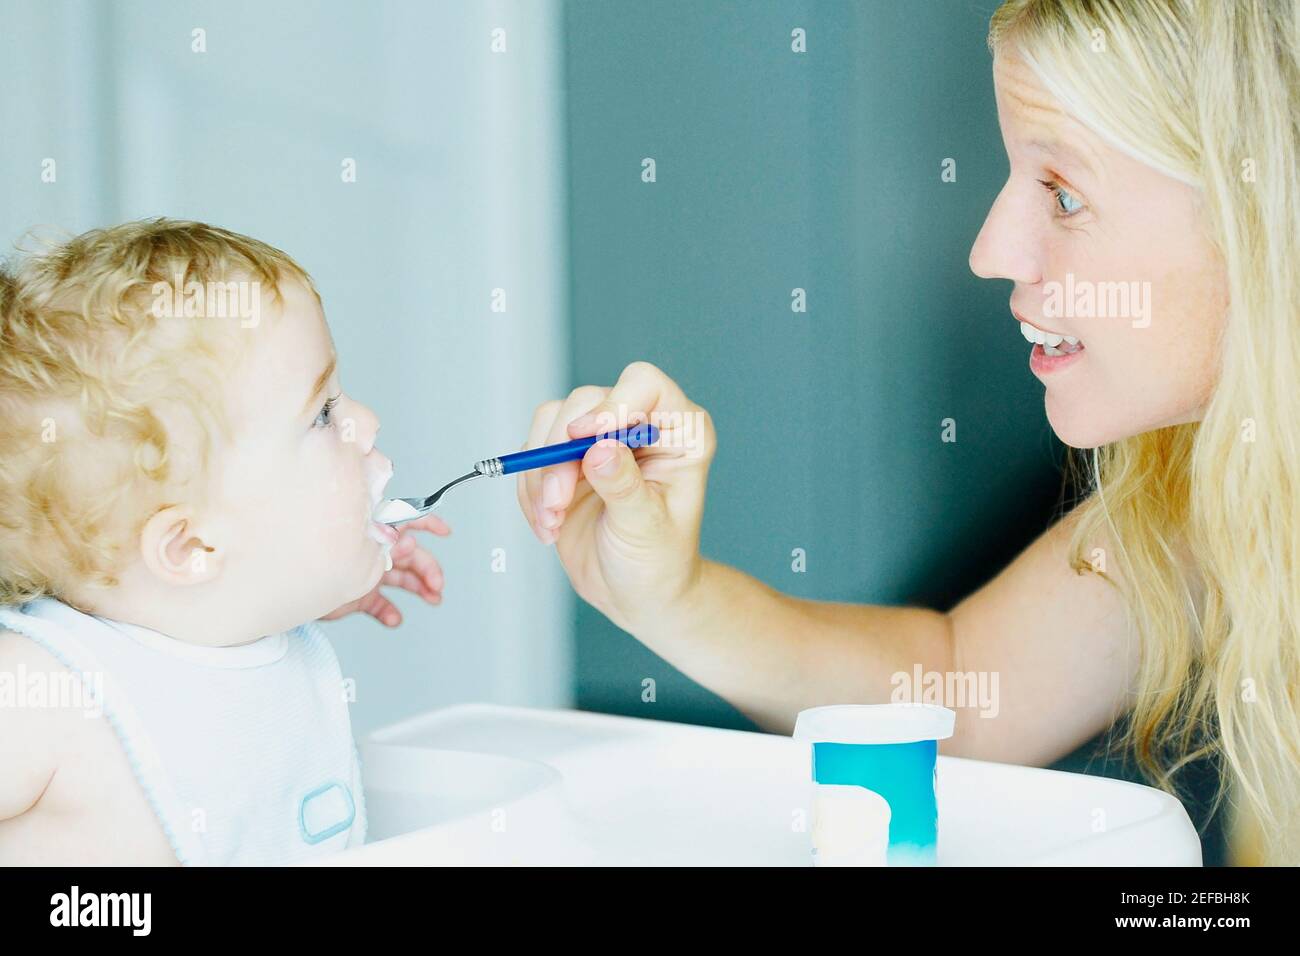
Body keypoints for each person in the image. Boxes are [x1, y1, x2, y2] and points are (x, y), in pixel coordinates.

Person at [515, 0, 1299, 866]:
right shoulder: (1213, 491)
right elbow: (964, 691)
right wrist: (670, 595)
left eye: (1066, 195)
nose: (990, 248)